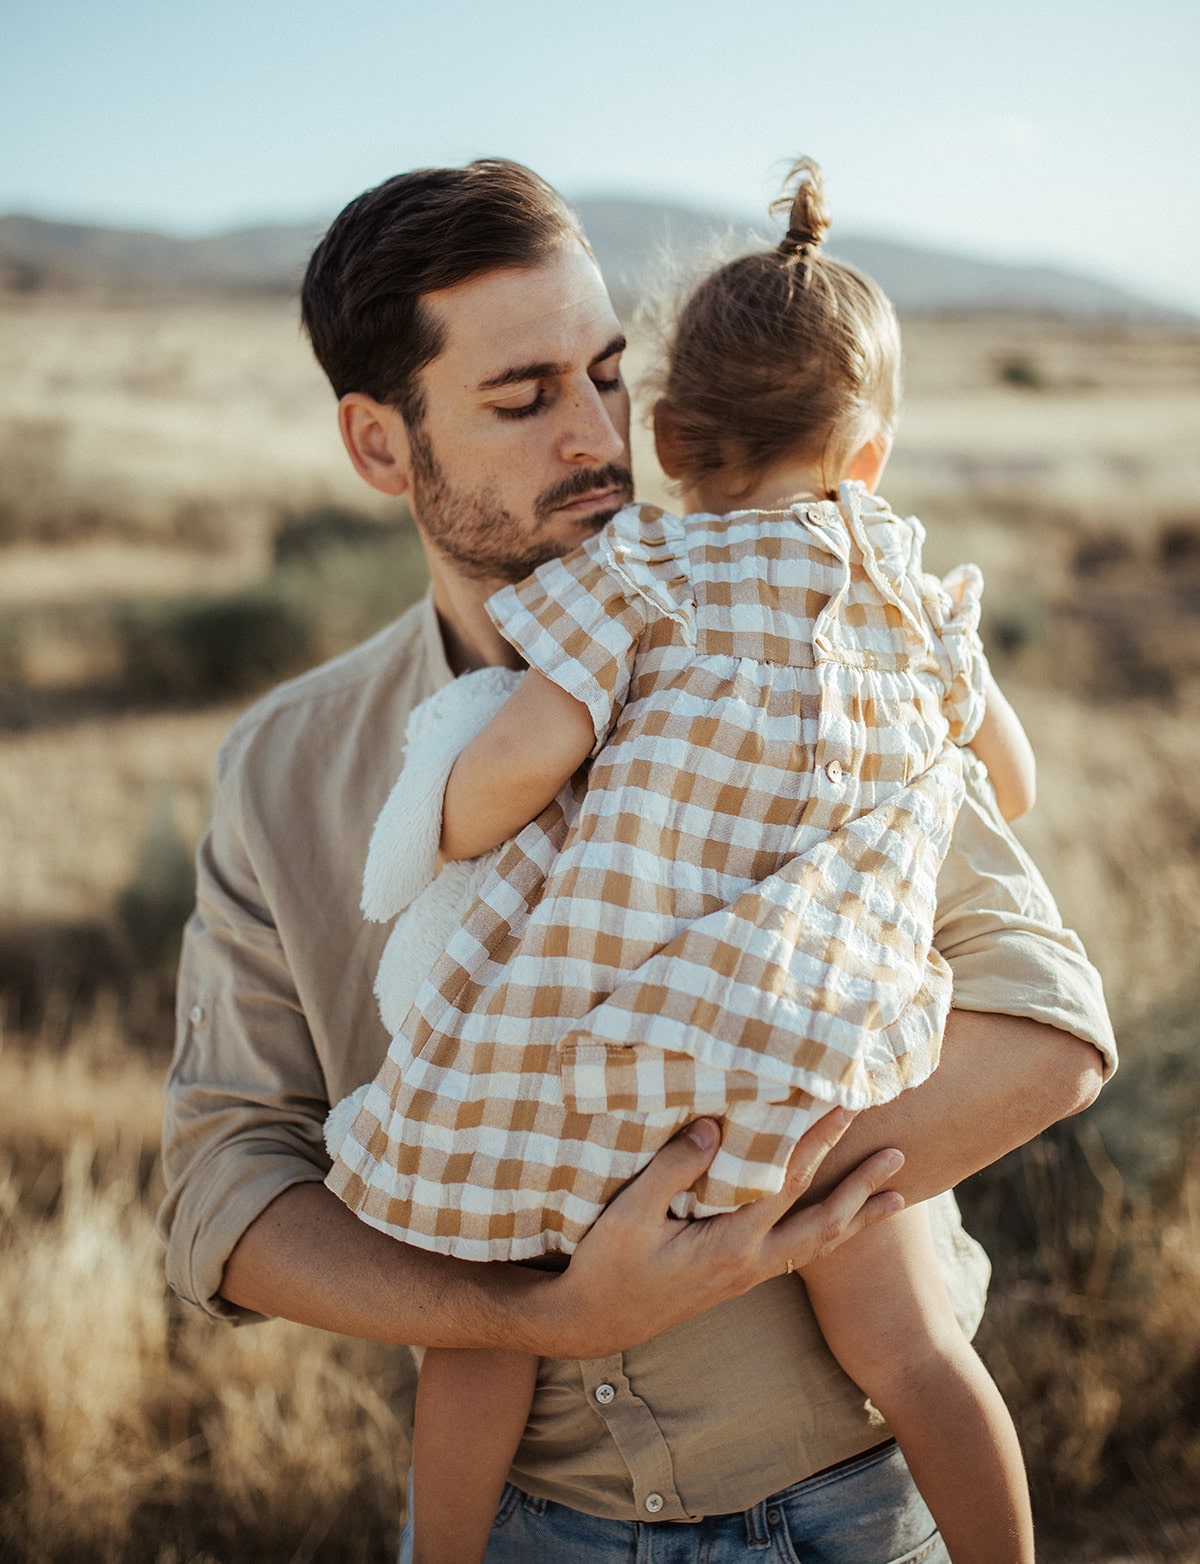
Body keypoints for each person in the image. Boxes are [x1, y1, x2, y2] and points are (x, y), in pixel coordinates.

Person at [158, 158, 1115, 1562]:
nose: (599, 438)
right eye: (525, 395)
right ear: (378, 444)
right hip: (537, 1526)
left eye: (609, 376)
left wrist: (698, 1190)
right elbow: (222, 1186)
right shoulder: (283, 771)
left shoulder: (813, 654)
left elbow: (1053, 1033)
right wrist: (542, 1309)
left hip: (854, 1501)